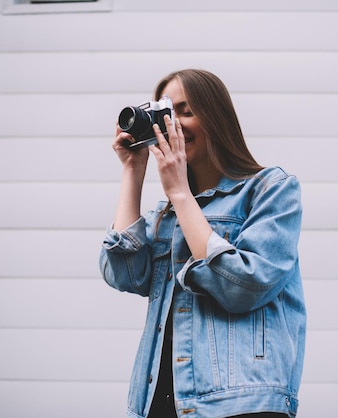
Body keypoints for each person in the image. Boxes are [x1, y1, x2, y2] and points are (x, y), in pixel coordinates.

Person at [99, 69, 306, 418]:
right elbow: (124, 274)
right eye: (164, 113)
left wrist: (180, 192)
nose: (173, 124)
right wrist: (133, 170)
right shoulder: (166, 214)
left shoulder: (270, 189)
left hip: (240, 402)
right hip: (159, 401)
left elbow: (243, 287)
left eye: (185, 111)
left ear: (216, 119)